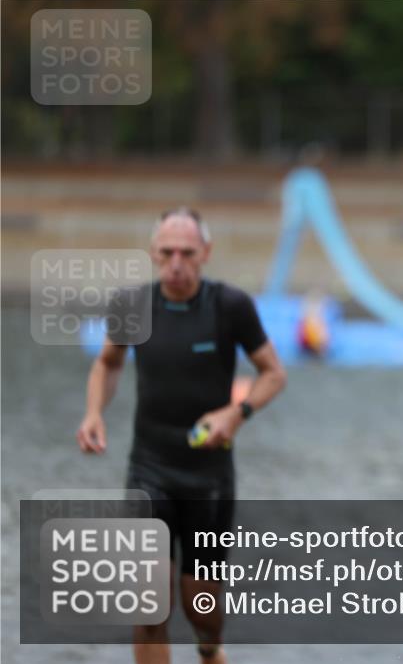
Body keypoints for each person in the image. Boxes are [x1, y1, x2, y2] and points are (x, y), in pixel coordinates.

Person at [75, 208, 287, 664]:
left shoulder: (230, 306)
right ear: (153, 253)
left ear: (205, 253)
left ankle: (209, 650)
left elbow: (273, 374)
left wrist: (236, 413)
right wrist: (94, 413)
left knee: (200, 607)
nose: (176, 263)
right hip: (148, 468)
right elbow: (108, 362)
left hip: (208, 479)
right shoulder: (134, 306)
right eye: (167, 252)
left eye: (187, 253)